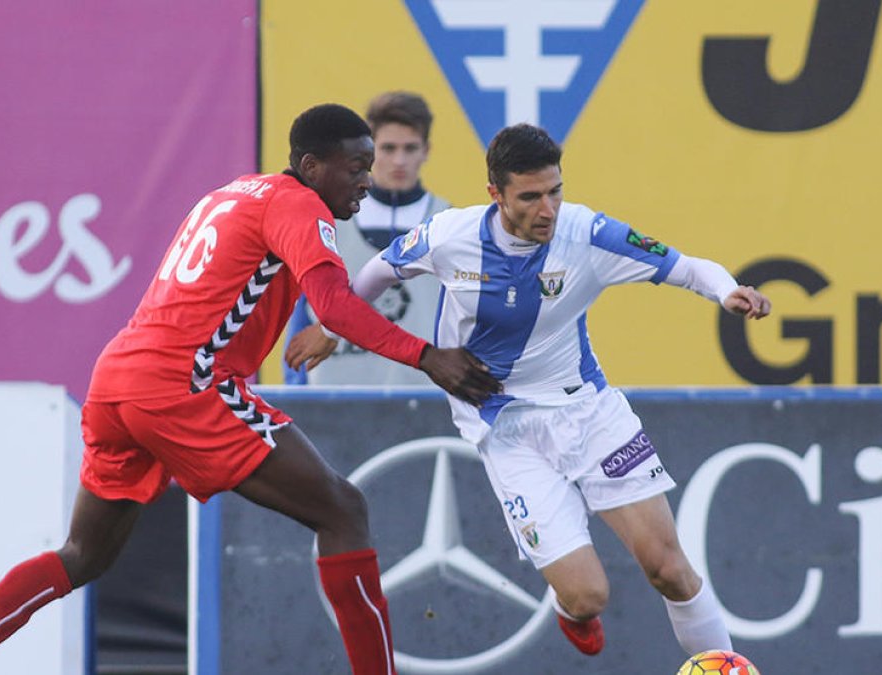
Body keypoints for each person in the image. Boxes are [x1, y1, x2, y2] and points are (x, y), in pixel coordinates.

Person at [0, 104, 501, 675]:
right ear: (312, 167)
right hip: (184, 384)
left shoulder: (232, 192)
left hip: (117, 379)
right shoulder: (298, 205)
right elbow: (335, 307)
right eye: (356, 167)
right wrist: (428, 357)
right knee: (344, 510)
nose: (366, 181)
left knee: (84, 555)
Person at [286, 123, 771, 659]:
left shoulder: (587, 233)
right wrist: (330, 329)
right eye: (531, 196)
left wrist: (728, 291)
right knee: (588, 595)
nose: (549, 209)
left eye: (556, 191)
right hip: (505, 429)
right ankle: (572, 611)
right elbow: (377, 272)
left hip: (588, 411)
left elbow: (686, 267)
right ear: (495, 193)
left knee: (670, 570)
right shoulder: (451, 235)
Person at [285, 91, 451, 385]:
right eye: (388, 148)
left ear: (426, 150)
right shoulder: (328, 219)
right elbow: (301, 312)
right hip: (335, 396)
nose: (399, 160)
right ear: (371, 151)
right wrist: (297, 389)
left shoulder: (448, 222)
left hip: (424, 398)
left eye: (410, 148)